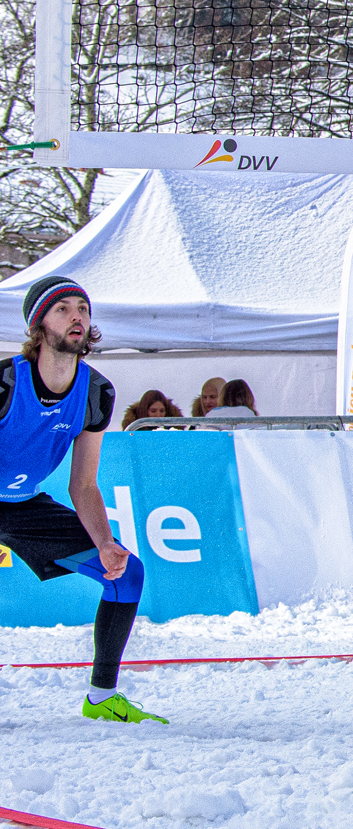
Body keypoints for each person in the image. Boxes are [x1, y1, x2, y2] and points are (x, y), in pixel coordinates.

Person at [0, 276, 166, 723]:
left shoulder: (96, 392)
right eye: (63, 309)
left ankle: (101, 699)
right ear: (38, 325)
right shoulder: (4, 382)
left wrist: (106, 543)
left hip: (21, 506)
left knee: (126, 573)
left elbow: (83, 485)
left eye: (84, 309)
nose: (77, 316)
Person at [118, 389, 182, 429]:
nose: (158, 415)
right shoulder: (133, 430)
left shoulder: (176, 433)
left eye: (162, 411)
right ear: (144, 411)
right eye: (153, 411)